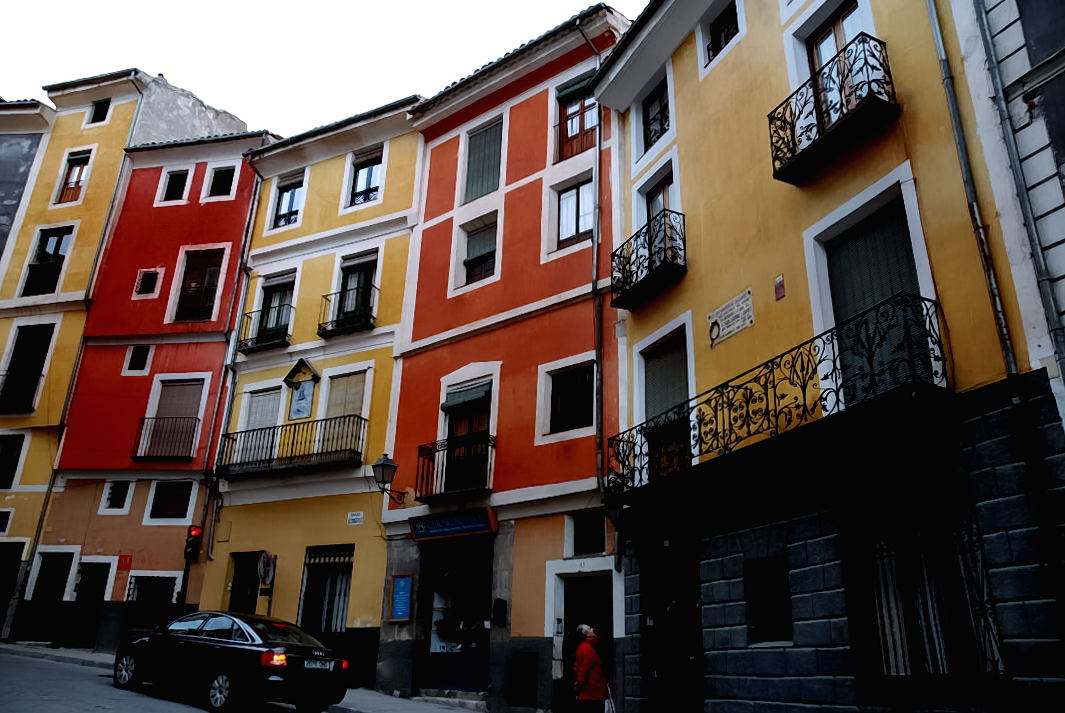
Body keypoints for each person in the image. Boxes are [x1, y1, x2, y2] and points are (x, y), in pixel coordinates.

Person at [572, 623, 610, 712]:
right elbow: (583, 671)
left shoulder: (585, 646)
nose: (592, 629)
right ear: (587, 634)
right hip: (592, 693)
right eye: (590, 629)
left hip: (590, 692)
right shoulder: (587, 648)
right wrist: (577, 688)